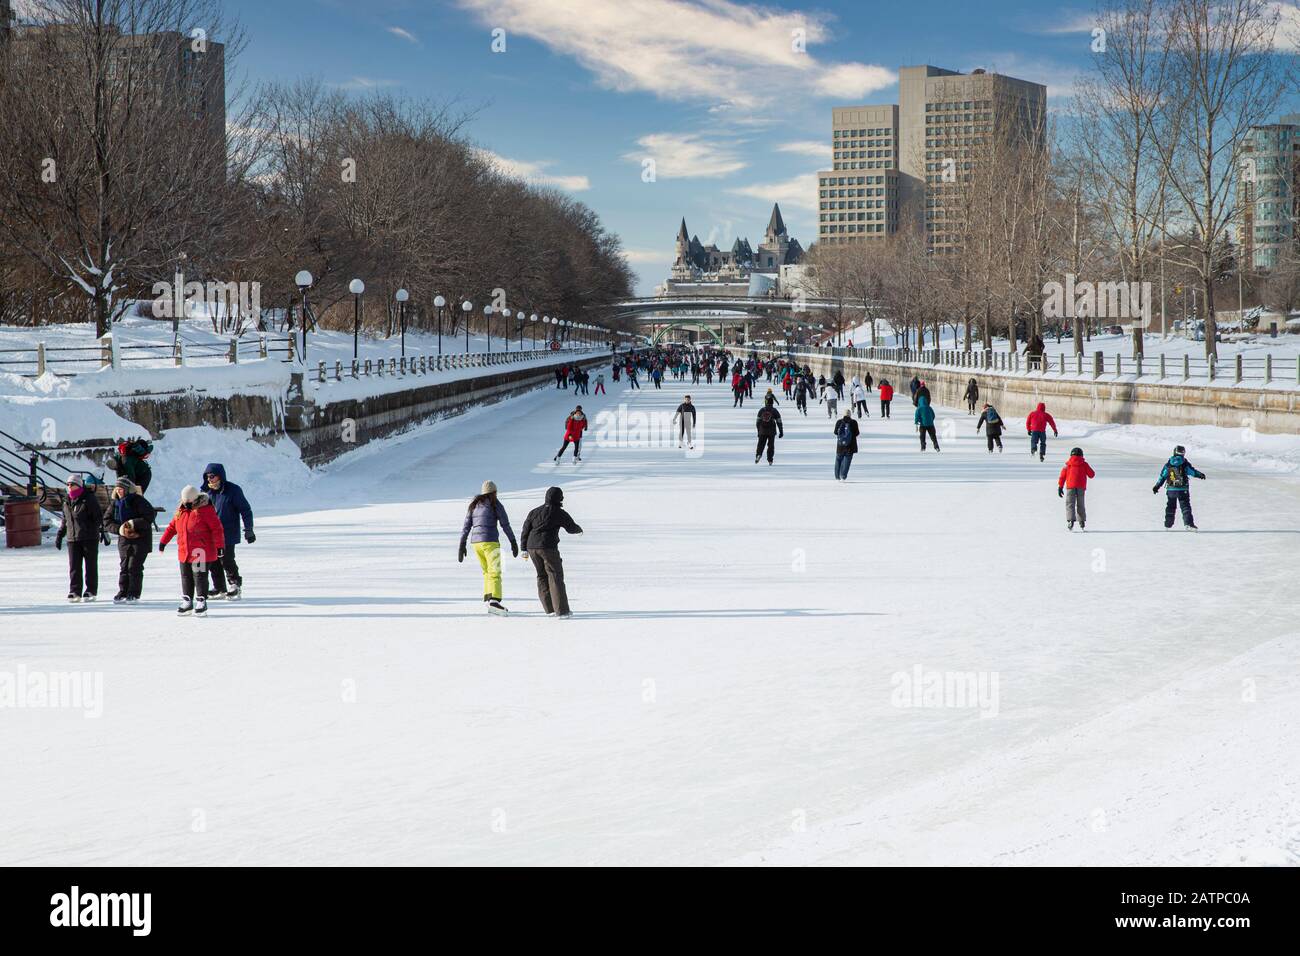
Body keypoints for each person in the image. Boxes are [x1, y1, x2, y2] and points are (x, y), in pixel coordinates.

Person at [159, 484, 225, 616]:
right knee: (185, 576)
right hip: (184, 551)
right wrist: (163, 542)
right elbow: (172, 527)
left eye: (189, 501)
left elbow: (217, 529)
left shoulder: (206, 510)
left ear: (195, 499)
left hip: (200, 550)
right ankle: (187, 601)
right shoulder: (181, 511)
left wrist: (220, 547)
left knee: (199, 576)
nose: (187, 503)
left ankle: (201, 600)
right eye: (185, 501)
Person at [520, 486, 583, 618]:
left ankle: (550, 609)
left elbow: (525, 529)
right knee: (555, 576)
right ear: (559, 498)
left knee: (541, 576)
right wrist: (579, 530)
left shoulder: (534, 512)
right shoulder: (558, 512)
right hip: (547, 547)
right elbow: (571, 527)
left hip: (532, 547)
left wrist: (523, 548)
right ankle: (562, 611)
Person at [458, 480, 518, 614]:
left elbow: (466, 525)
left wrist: (462, 544)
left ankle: (488, 598)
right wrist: (513, 541)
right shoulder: (495, 504)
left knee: (486, 571)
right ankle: (495, 601)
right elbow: (505, 524)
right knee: (495, 571)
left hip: (476, 543)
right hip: (490, 541)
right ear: (494, 492)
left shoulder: (474, 505)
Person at [201, 463, 254, 599]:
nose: (209, 480)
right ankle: (219, 587)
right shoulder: (206, 492)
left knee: (226, 559)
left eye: (212, 476)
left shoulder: (233, 490)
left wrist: (249, 529)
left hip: (228, 533)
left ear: (220, 476)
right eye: (207, 477)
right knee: (213, 561)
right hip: (210, 533)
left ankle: (234, 584)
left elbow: (245, 510)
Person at [103, 476, 155, 603]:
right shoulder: (115, 504)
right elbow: (107, 521)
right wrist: (120, 529)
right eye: (118, 488)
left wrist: (132, 523)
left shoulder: (138, 500)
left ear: (128, 489)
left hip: (140, 538)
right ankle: (123, 591)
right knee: (124, 566)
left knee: (134, 566)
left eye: (122, 488)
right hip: (124, 540)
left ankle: (134, 593)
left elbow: (149, 516)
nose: (119, 491)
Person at [55, 474, 104, 602]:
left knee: (90, 565)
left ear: (79, 485)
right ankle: (75, 591)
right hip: (72, 539)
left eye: (72, 484)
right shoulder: (66, 501)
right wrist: (60, 534)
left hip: (89, 538)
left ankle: (90, 591)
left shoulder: (88, 498)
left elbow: (98, 517)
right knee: (74, 567)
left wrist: (97, 530)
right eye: (68, 485)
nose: (70, 487)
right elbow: (65, 520)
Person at [1153, 445, 1206, 530]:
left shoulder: (1169, 463)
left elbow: (1162, 476)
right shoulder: (1184, 463)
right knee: (1185, 507)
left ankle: (1168, 524)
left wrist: (1156, 486)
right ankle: (1188, 524)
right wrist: (1200, 475)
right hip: (1183, 489)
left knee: (1170, 506)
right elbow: (1192, 472)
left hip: (1171, 490)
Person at [1058, 447, 1095, 531]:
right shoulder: (1084, 464)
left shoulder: (1067, 465)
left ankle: (1070, 520)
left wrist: (1060, 487)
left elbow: (1062, 477)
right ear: (1081, 455)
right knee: (1080, 504)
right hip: (1081, 487)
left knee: (1070, 504)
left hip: (1070, 487)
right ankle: (1081, 521)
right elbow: (1092, 475)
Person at [755, 396, 784, 465]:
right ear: (772, 403)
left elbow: (758, 422)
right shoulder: (774, 410)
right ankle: (770, 459)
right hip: (772, 431)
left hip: (762, 430)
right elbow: (779, 421)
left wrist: (759, 431)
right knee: (771, 446)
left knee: (760, 444)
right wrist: (781, 431)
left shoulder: (762, 410)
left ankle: (758, 455)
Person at [833, 409, 860, 481]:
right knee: (847, 461)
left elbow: (835, 432)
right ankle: (843, 476)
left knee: (838, 460)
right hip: (850, 446)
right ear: (850, 415)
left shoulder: (839, 422)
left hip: (840, 446)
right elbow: (857, 433)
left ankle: (837, 477)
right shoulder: (854, 422)